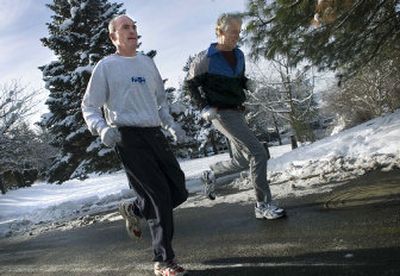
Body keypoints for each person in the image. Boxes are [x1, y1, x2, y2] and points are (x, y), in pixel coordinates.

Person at [82, 14, 189, 276]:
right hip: (127, 137)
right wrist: (103, 129)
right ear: (113, 37)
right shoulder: (106, 66)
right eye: (125, 28)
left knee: (178, 189)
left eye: (134, 27)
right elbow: (89, 106)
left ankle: (134, 209)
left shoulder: (147, 63)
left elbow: (160, 103)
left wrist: (170, 125)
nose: (132, 31)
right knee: (159, 195)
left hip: (154, 133)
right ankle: (164, 260)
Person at [185, 13, 285, 220]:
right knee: (258, 153)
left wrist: (246, 83)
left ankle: (213, 173)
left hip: (237, 111)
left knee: (242, 158)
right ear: (219, 32)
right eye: (232, 32)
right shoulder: (205, 59)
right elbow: (190, 86)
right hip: (219, 113)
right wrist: (204, 107)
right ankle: (262, 204)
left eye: (239, 32)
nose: (236, 36)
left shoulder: (239, 55)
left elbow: (237, 79)